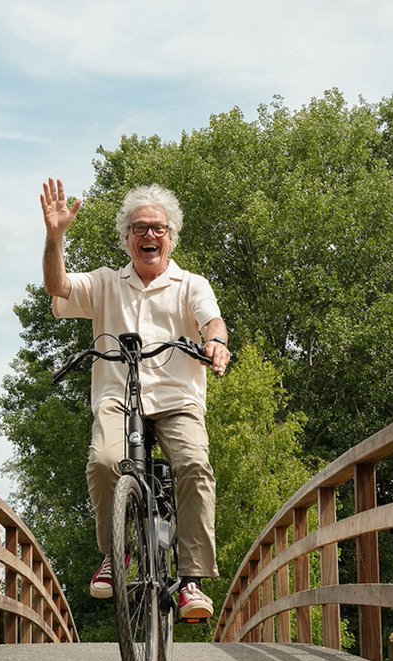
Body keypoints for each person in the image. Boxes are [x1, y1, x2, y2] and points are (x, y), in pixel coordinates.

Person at [40, 177, 230, 620]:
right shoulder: (106, 283)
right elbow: (58, 286)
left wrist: (216, 343)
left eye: (158, 229)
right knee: (104, 461)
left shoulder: (191, 284)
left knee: (195, 465)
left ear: (171, 237)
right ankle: (115, 554)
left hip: (176, 398)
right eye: (140, 228)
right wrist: (55, 237)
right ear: (126, 238)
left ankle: (191, 580)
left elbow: (212, 322)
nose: (149, 235)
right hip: (118, 397)